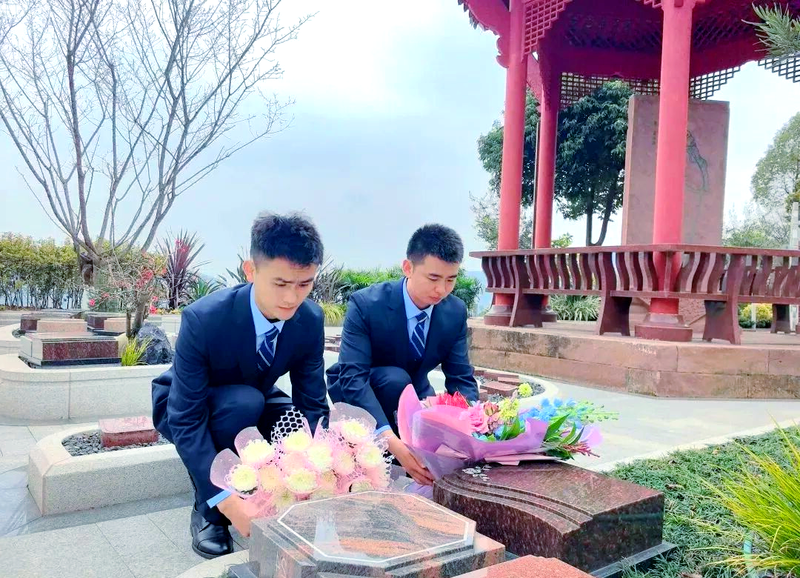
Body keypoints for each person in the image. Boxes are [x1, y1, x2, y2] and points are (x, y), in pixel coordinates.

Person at [151, 212, 329, 559]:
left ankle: (272, 493)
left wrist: (322, 470)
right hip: (184, 404)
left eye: (304, 284)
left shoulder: (310, 319)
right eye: (280, 283)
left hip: (255, 393)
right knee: (244, 402)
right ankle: (208, 510)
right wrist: (224, 501)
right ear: (251, 270)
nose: (292, 298)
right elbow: (186, 418)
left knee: (294, 424)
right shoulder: (204, 318)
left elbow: (312, 402)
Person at [326, 223, 479, 486]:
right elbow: (353, 378)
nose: (442, 290)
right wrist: (392, 442)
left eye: (450, 279)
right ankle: (385, 461)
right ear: (408, 268)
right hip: (361, 391)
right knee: (395, 379)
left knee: (431, 407)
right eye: (433, 278)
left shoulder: (454, 311)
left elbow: (461, 377)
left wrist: (473, 425)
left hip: (414, 390)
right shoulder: (366, 304)